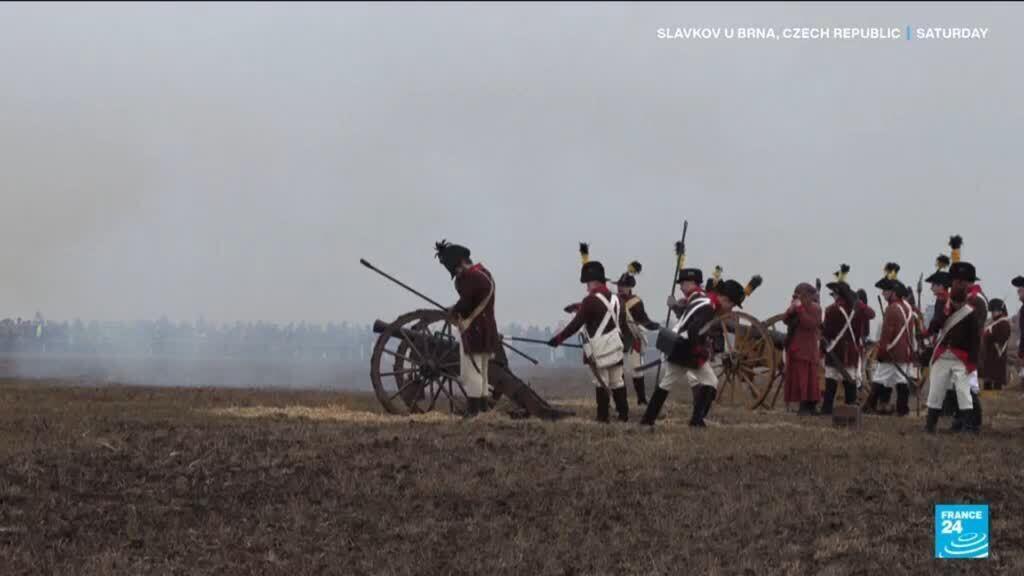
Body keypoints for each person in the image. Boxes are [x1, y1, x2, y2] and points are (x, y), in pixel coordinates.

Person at [641, 275, 748, 428]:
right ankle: (696, 421)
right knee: (710, 381)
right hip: (685, 346)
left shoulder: (704, 299)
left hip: (677, 344)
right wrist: (700, 350)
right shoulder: (709, 307)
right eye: (732, 305)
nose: (731, 309)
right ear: (725, 299)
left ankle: (648, 420)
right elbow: (694, 329)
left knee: (668, 382)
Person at [549, 243, 628, 423]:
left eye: (587, 283)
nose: (586, 288)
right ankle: (624, 416)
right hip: (616, 346)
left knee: (601, 382)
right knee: (617, 382)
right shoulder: (617, 300)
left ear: (593, 282)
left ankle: (603, 417)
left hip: (599, 349)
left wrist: (558, 339)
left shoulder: (590, 300)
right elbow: (618, 322)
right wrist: (579, 307)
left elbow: (575, 325)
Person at [924, 237, 983, 434]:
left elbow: (976, 336)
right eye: (955, 281)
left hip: (963, 355)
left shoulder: (973, 306)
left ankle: (970, 424)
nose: (957, 284)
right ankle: (935, 423)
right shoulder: (947, 303)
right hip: (945, 354)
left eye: (960, 282)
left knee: (965, 392)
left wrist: (972, 361)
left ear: (966, 284)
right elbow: (937, 323)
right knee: (938, 390)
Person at [435, 240, 500, 417]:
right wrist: (456, 308)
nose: (456, 273)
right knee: (481, 371)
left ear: (463, 262)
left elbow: (467, 302)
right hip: (485, 328)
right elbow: (471, 300)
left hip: (475, 330)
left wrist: (454, 310)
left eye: (456, 268)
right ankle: (483, 409)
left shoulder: (473, 277)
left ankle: (474, 411)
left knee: (471, 372)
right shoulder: (483, 273)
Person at [821, 264, 874, 415]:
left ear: (838, 294)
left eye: (834, 293)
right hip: (851, 351)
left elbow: (828, 333)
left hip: (835, 350)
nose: (833, 296)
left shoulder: (831, 310)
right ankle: (851, 410)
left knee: (831, 381)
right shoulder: (857, 310)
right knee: (850, 382)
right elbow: (870, 315)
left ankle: (826, 410)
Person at [866, 267, 916, 416]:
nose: (883, 293)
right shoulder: (908, 307)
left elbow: (886, 335)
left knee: (879, 378)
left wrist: (881, 353)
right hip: (905, 352)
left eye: (886, 290)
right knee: (901, 380)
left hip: (891, 352)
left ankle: (869, 406)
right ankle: (902, 409)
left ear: (893, 292)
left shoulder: (892, 309)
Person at [613, 261, 661, 406]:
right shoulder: (613, 300)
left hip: (633, 338)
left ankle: (641, 399)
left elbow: (643, 320)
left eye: (623, 286)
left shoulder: (635, 302)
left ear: (630, 288)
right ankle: (620, 400)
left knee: (636, 370)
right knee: (617, 372)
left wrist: (656, 326)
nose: (620, 288)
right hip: (616, 339)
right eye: (619, 286)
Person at [784, 283, 823, 414]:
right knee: (800, 380)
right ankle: (803, 406)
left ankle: (810, 406)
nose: (798, 297)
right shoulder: (796, 307)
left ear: (808, 296)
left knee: (810, 380)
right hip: (797, 348)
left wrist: (800, 308)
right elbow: (785, 319)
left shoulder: (816, 308)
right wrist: (791, 309)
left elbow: (810, 324)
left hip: (809, 349)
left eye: (801, 295)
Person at [980, 299, 1011, 391]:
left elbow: (1003, 337)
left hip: (997, 353)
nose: (993, 313)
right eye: (992, 311)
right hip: (990, 353)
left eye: (995, 311)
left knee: (996, 377)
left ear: (1001, 311)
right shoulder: (995, 322)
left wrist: (989, 335)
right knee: (988, 376)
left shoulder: (1004, 323)